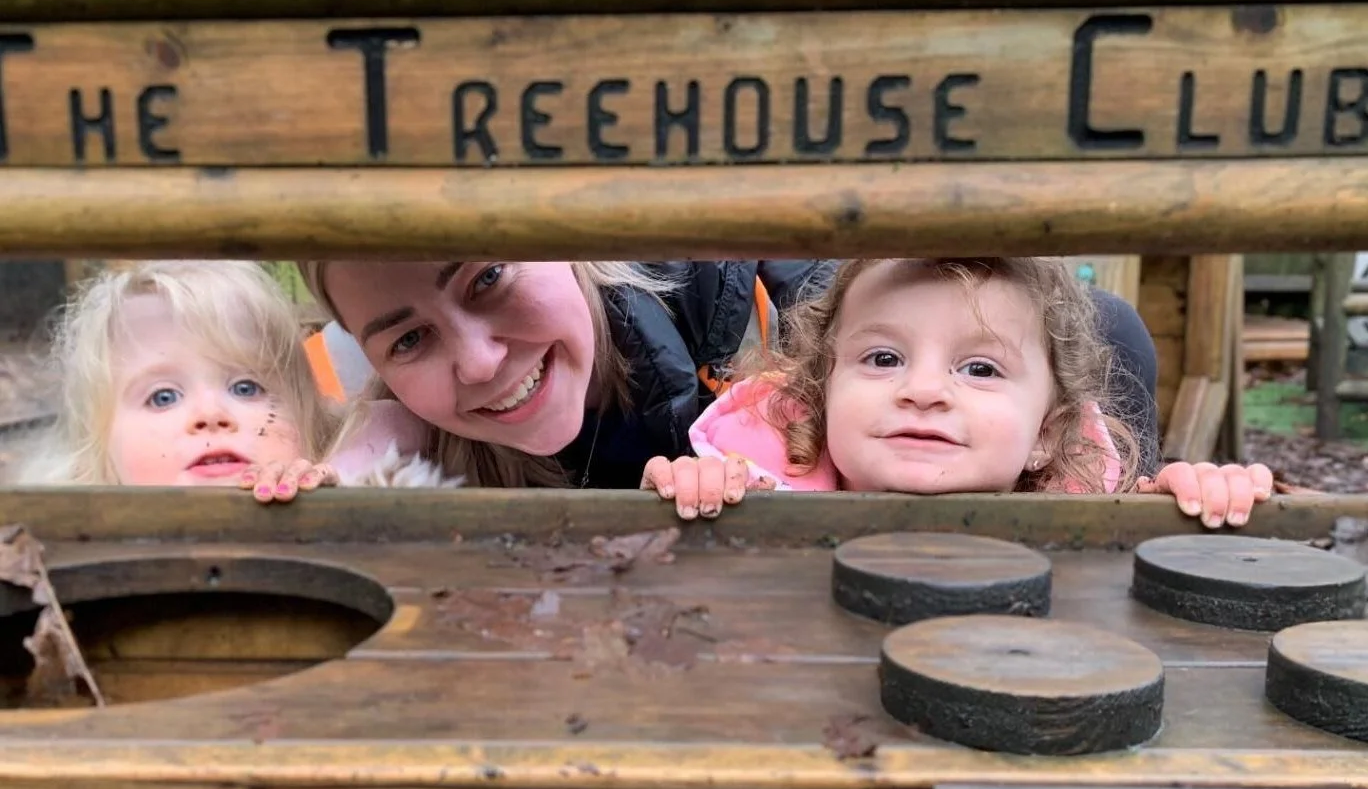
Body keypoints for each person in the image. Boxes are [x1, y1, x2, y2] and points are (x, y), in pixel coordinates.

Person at [302, 258, 1161, 488]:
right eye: (406, 341)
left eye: (488, 279)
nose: (480, 360)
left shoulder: (765, 330)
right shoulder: (419, 434)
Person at [641, 256, 1270, 529]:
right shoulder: (755, 493)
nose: (922, 391)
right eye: (883, 358)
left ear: (1047, 434)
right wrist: (693, 497)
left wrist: (1198, 500)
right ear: (821, 394)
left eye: (980, 369)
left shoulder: (1093, 518)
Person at [15, 261, 457, 495]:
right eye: (163, 397)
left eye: (247, 388)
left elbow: (394, 422)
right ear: (99, 452)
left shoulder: (326, 473)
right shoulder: (76, 529)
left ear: (310, 422)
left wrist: (335, 473)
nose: (210, 415)